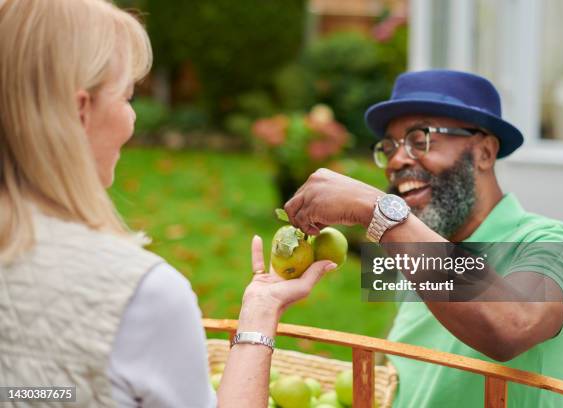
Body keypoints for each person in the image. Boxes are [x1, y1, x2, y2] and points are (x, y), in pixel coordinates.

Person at [0, 1, 336, 407]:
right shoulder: (137, 297)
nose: (132, 119)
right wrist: (260, 314)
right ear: (80, 111)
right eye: (127, 97)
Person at [283, 70, 563, 407]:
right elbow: (407, 361)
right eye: (389, 146)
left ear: (485, 152)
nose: (397, 161)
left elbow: (512, 325)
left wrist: (375, 211)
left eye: (420, 139)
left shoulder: (554, 243)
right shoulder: (411, 246)